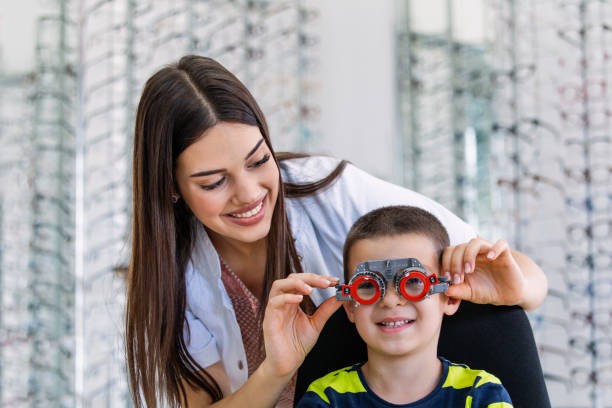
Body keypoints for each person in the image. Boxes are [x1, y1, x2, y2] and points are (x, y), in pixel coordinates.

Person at [125, 55, 547, 408]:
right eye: (214, 182)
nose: (249, 193)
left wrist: (512, 290)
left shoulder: (331, 192)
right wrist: (278, 370)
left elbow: (526, 278)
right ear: (171, 187)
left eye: (259, 161)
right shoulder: (170, 275)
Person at [295, 205, 513, 407]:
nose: (390, 300)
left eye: (413, 282)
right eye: (369, 284)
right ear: (350, 306)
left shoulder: (481, 394)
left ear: (450, 297)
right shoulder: (326, 399)